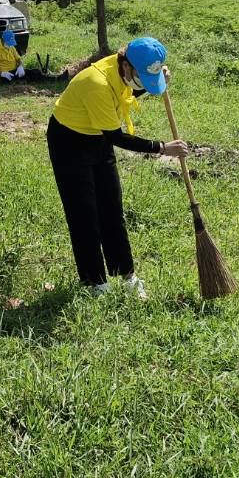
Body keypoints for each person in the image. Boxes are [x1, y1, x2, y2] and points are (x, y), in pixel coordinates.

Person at [47, 37, 189, 296]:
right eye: (140, 77)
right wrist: (162, 147)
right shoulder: (96, 83)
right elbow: (117, 137)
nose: (140, 84)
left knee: (112, 210)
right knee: (84, 214)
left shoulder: (122, 71)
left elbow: (129, 90)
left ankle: (127, 276)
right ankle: (95, 283)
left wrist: (153, 82)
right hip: (69, 141)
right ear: (126, 65)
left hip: (98, 137)